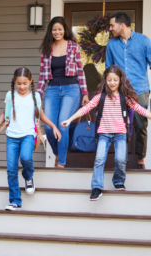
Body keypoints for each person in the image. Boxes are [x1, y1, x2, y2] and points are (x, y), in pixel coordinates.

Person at [62, 65, 151, 201]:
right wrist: (70, 119)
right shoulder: (100, 97)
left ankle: (119, 181)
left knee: (121, 160)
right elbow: (86, 108)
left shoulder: (125, 98)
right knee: (99, 160)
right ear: (105, 80)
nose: (112, 83)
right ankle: (96, 188)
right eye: (109, 80)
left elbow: (140, 109)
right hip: (104, 133)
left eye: (115, 80)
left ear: (120, 80)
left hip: (120, 134)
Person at [0, 67, 61, 211]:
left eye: (25, 83)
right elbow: (4, 114)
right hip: (12, 137)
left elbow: (41, 115)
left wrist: (53, 126)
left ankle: (28, 177)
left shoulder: (35, 97)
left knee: (26, 158)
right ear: (14, 83)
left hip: (28, 135)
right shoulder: (10, 95)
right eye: (19, 84)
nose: (22, 87)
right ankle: (15, 201)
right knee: (11, 169)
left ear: (30, 82)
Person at [37, 16, 89, 168]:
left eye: (60, 29)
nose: (57, 32)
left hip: (71, 89)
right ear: (50, 31)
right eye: (54, 29)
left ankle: (61, 163)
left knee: (62, 124)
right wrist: (38, 96)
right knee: (48, 126)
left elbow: (80, 70)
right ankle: (59, 152)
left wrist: (85, 92)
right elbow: (42, 77)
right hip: (52, 89)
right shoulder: (46, 49)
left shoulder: (73, 47)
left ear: (64, 30)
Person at [106, 12, 151, 169]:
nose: (110, 28)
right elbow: (108, 69)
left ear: (122, 25)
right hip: (121, 92)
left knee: (140, 125)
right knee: (121, 126)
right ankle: (121, 160)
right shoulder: (112, 45)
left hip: (140, 90)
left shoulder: (144, 41)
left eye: (112, 25)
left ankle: (140, 159)